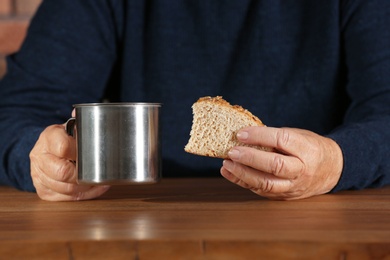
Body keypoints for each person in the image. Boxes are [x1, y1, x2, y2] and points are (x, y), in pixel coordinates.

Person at [1, 0, 390, 201]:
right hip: (139, 224)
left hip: (315, 227)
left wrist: (337, 163)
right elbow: (16, 111)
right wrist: (34, 158)